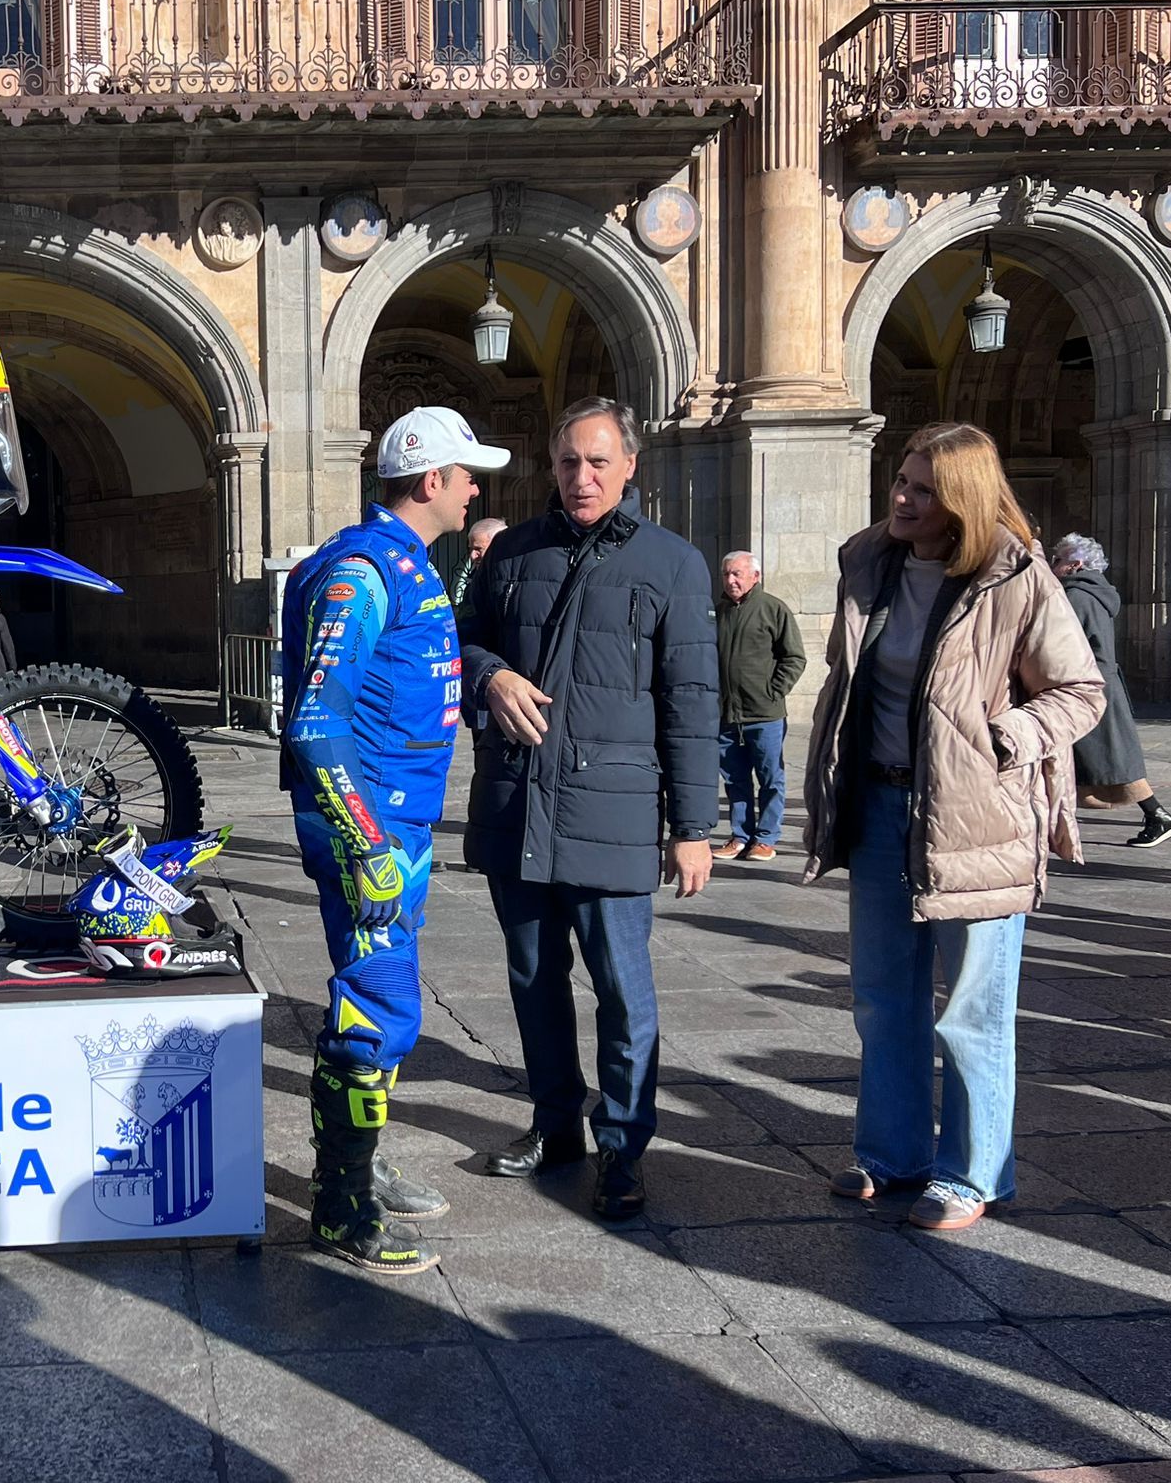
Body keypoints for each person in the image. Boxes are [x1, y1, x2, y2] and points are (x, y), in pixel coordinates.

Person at [803, 422, 1104, 1232]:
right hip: (878, 807)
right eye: (901, 480)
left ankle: (971, 1175)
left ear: (962, 500)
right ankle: (891, 1155)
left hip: (979, 817)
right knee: (881, 999)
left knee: (972, 1007)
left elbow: (1080, 691)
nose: (901, 497)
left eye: (923, 489)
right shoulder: (868, 562)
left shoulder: (1018, 577)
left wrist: (1002, 740)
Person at [459, 395, 718, 1222]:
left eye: (599, 462)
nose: (582, 477)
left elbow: (691, 700)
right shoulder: (510, 554)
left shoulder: (673, 562)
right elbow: (455, 642)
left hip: (613, 808)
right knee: (534, 980)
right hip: (519, 805)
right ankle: (554, 1124)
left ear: (629, 466)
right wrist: (486, 677)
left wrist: (695, 829)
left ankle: (623, 1145)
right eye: (569, 461)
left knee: (620, 988)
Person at [280, 405, 510, 1273]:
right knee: (377, 1012)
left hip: (394, 820)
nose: (475, 488)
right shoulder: (366, 569)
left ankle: (362, 1168)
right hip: (369, 824)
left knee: (381, 1008)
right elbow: (313, 719)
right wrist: (367, 840)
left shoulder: (401, 560)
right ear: (429, 482)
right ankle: (341, 1206)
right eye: (466, 475)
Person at [1051, 534, 1171, 848]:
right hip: (1096, 684)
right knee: (1099, 759)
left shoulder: (1077, 596)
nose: (1052, 564)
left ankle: (1158, 816)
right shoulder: (1091, 592)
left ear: (1075, 564)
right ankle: (1155, 816)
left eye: (1058, 559)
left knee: (1110, 762)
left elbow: (1060, 644)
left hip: (1088, 688)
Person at [712, 550, 807, 862]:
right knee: (735, 780)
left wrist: (773, 691)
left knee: (770, 779)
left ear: (755, 576)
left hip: (764, 714)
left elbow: (794, 657)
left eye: (737, 574)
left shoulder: (773, 609)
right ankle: (740, 836)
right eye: (726, 574)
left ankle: (766, 838)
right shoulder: (719, 611)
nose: (730, 580)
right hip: (728, 714)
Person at [452, 516, 507, 609]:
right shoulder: (476, 581)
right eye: (471, 549)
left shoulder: (515, 582)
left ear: (498, 546)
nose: (473, 556)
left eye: (478, 549)